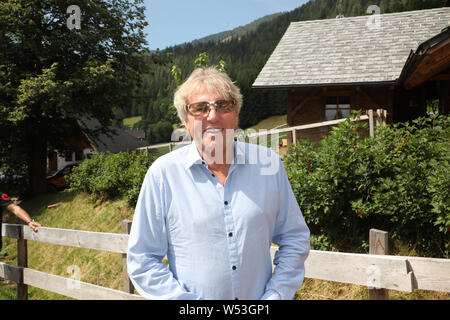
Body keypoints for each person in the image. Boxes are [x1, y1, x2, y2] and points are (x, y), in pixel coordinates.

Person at [127, 67, 310, 300]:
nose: (212, 116)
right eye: (200, 108)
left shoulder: (268, 166)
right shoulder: (163, 175)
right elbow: (143, 260)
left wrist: (276, 295)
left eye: (223, 106)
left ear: (236, 115)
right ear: (186, 119)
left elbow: (294, 238)